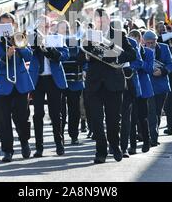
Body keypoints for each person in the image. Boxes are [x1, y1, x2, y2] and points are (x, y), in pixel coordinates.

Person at [80, 9, 136, 163]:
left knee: (113, 120)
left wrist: (116, 57)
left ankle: (115, 145)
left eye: (103, 18)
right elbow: (79, 56)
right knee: (96, 121)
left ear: (108, 19)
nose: (100, 21)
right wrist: (84, 56)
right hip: (94, 83)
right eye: (97, 19)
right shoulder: (88, 35)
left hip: (114, 82)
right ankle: (101, 151)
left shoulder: (118, 34)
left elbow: (132, 54)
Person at [0, 13, 34, 162]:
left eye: (9, 24)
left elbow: (29, 57)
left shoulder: (20, 37)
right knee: (4, 120)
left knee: (22, 117)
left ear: (14, 25)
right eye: (3, 24)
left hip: (20, 84)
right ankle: (7, 150)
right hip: (3, 86)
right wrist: (6, 56)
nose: (6, 27)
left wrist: (18, 45)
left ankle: (24, 142)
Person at [29, 15, 69, 158]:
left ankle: (59, 144)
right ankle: (39, 147)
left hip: (53, 79)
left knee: (55, 114)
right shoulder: (31, 39)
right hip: (38, 80)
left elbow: (65, 55)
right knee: (38, 114)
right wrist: (35, 45)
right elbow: (27, 55)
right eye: (41, 26)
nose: (44, 28)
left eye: (46, 26)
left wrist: (51, 51)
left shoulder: (56, 37)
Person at [143, 30, 172, 146]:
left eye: (153, 42)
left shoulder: (164, 48)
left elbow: (171, 64)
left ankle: (154, 133)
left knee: (157, 112)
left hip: (161, 85)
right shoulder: (142, 50)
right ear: (144, 42)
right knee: (151, 112)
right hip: (148, 85)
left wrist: (162, 71)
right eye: (148, 43)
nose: (150, 45)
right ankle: (153, 137)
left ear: (156, 41)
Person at [57, 20, 85, 145]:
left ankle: (74, 135)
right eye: (62, 29)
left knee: (74, 110)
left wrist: (84, 70)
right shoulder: (54, 42)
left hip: (75, 81)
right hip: (59, 82)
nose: (65, 31)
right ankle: (60, 136)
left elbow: (83, 59)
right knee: (60, 110)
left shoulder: (77, 42)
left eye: (67, 28)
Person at [119, 28, 143, 157]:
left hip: (128, 83)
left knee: (127, 117)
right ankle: (113, 144)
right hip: (110, 82)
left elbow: (139, 62)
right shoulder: (103, 42)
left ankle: (123, 147)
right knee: (112, 116)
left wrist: (128, 69)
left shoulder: (131, 43)